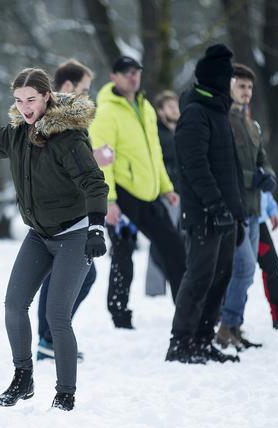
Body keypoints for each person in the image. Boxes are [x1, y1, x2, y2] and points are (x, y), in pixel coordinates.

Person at [0, 68, 108, 411]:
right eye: (18, 100)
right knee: (14, 305)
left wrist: (96, 226)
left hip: (74, 234)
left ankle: (65, 393)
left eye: (31, 99)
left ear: (47, 96)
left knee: (57, 314)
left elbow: (94, 182)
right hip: (39, 235)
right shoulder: (17, 131)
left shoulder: (68, 138)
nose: (25, 106)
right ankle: (23, 378)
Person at [89, 56, 186, 329]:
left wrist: (166, 187)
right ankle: (119, 313)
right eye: (126, 72)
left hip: (149, 193)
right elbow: (102, 159)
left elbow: (154, 153)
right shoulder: (106, 111)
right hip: (121, 193)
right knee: (123, 254)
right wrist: (108, 201)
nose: (133, 77)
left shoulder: (145, 107)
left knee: (174, 247)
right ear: (114, 77)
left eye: (136, 72)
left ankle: (186, 308)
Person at [166, 44, 245, 364]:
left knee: (220, 277)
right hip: (205, 215)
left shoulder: (218, 112)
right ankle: (181, 341)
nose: (230, 84)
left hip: (226, 216)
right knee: (199, 278)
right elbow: (194, 168)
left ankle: (201, 338)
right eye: (227, 78)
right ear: (216, 79)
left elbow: (230, 168)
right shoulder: (196, 113)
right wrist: (216, 207)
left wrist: (236, 213)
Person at [36, 59, 112, 362]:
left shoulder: (68, 116)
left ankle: (49, 336)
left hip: (70, 212)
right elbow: (57, 160)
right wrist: (94, 158)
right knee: (65, 276)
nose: (87, 96)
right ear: (68, 87)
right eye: (84, 89)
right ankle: (48, 337)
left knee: (73, 276)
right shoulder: (54, 117)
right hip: (59, 215)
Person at [215, 63, 276, 350]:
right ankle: (225, 327)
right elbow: (229, 168)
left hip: (254, 212)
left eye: (250, 87)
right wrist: (256, 177)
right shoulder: (223, 121)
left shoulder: (251, 124)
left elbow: (262, 158)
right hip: (234, 210)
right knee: (244, 268)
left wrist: (269, 176)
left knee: (244, 273)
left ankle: (235, 327)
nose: (246, 91)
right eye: (241, 86)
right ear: (229, 87)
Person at [145, 90, 182, 297]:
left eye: (176, 106)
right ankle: (154, 290)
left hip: (183, 194)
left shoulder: (180, 132)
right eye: (170, 106)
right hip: (164, 194)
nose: (175, 110)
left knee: (179, 240)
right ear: (160, 111)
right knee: (161, 240)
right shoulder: (158, 134)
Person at [257, 192, 278, 329]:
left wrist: (271, 209)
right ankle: (227, 321)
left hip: (259, 221)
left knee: (272, 265)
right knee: (236, 271)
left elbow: (263, 184)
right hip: (244, 219)